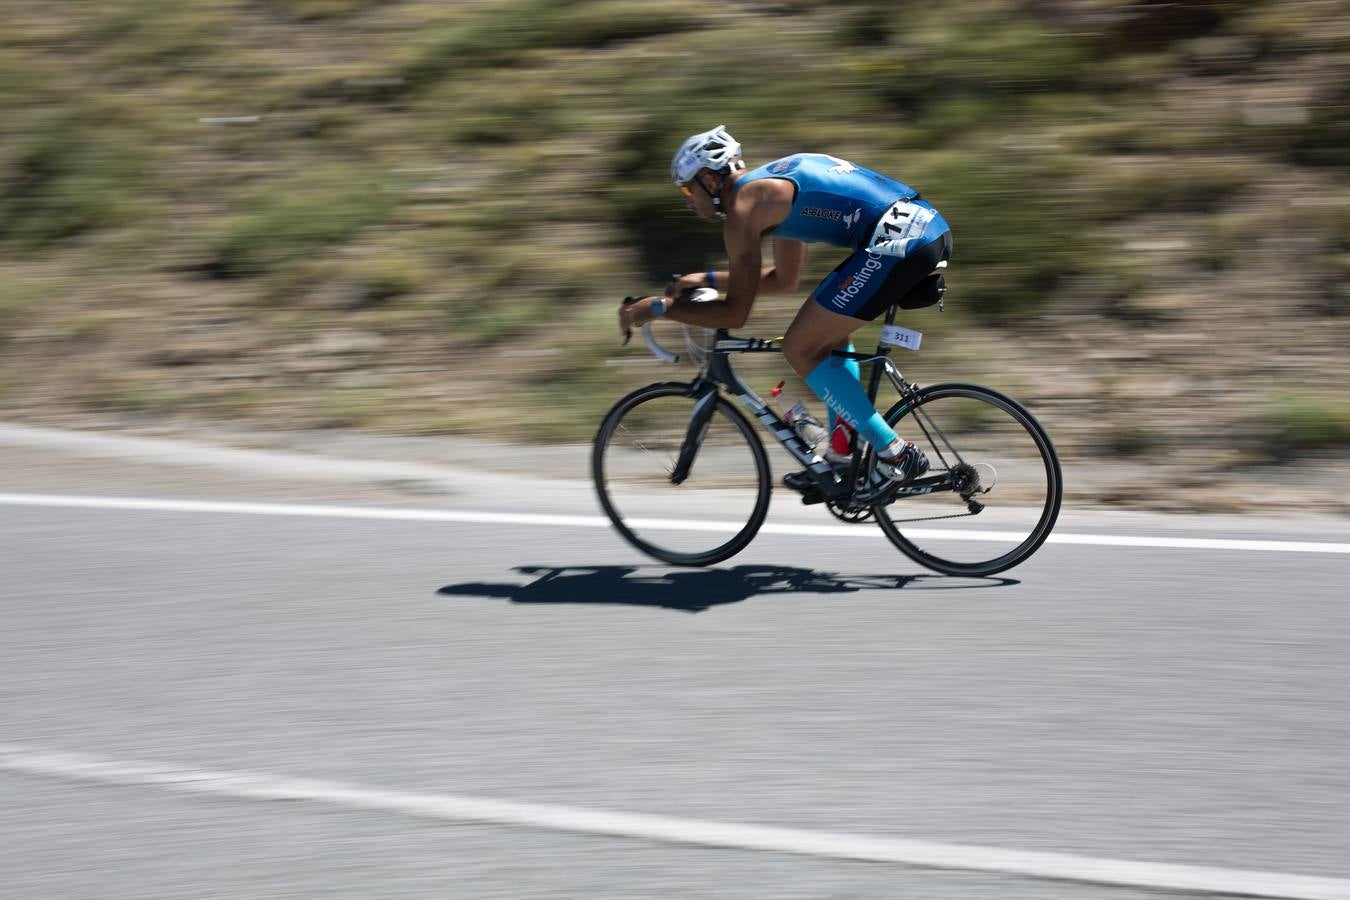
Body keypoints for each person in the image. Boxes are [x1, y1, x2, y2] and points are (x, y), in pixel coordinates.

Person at [618, 125, 952, 498]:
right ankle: (843, 458)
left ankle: (897, 453)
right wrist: (704, 278)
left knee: (799, 348)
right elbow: (783, 279)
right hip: (922, 227)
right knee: (827, 338)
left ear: (709, 180)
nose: (687, 201)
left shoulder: (745, 208)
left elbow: (734, 316)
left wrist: (660, 307)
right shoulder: (767, 191)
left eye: (686, 190)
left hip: (900, 239)